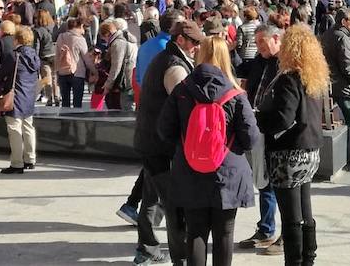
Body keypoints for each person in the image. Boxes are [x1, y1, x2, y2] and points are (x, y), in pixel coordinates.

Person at [158, 38, 260, 266]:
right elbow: (251, 138)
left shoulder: (182, 90)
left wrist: (187, 147)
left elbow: (164, 130)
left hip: (190, 171)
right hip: (228, 173)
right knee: (224, 234)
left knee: (195, 232)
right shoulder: (235, 94)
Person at [132, 20, 204, 265]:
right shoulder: (175, 66)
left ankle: (147, 248)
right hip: (162, 145)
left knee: (152, 197)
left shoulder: (166, 57)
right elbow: (183, 108)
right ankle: (176, 256)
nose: (196, 47)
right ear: (181, 40)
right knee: (173, 204)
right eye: (193, 42)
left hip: (150, 140)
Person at [256, 24, 327, 266]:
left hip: (289, 154)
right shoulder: (314, 77)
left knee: (290, 218)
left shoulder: (289, 78)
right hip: (310, 150)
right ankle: (309, 259)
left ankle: (294, 262)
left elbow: (283, 119)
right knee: (305, 211)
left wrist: (259, 119)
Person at [239, 24, 284, 254]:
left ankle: (285, 234)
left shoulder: (286, 63)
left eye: (261, 43)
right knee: (264, 179)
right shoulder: (258, 61)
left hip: (279, 131)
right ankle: (266, 229)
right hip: (259, 127)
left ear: (276, 39)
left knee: (281, 184)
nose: (258, 48)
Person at [322, 8, 350, 167]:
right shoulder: (343, 38)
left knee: (337, 117)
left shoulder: (328, 34)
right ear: (344, 22)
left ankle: (347, 153)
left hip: (330, 84)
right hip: (342, 86)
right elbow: (347, 66)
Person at [0, 26, 41, 174]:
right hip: (29, 96)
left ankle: (17, 163)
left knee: (14, 129)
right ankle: (30, 159)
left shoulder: (14, 56)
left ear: (16, 39)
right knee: (28, 127)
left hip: (15, 97)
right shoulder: (35, 56)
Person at [55, 17, 98, 108]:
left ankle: (65, 121)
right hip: (77, 73)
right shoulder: (80, 39)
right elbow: (86, 59)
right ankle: (76, 120)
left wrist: (57, 71)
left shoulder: (60, 37)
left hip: (63, 72)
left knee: (65, 102)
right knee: (77, 103)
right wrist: (94, 71)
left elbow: (57, 55)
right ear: (80, 26)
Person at [102, 19, 138, 111]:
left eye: (103, 37)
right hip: (132, 78)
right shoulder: (129, 39)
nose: (104, 40)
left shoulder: (117, 43)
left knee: (125, 109)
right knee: (130, 107)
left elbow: (116, 66)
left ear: (107, 34)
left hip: (124, 81)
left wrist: (108, 85)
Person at [33, 10, 58, 106]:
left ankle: (49, 98)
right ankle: (57, 97)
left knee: (47, 78)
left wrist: (35, 58)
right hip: (54, 53)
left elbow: (37, 46)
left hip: (44, 56)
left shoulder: (37, 30)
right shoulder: (53, 28)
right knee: (55, 77)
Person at [236, 7, 261, 76]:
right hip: (256, 54)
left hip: (245, 55)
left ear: (245, 16)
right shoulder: (258, 27)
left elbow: (239, 44)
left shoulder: (242, 27)